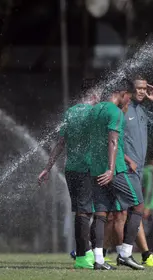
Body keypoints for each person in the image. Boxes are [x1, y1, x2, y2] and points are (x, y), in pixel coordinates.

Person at [38, 79, 100, 269]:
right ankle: (83, 256)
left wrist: (47, 168)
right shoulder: (95, 113)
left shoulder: (71, 112)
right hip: (87, 168)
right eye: (100, 94)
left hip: (71, 168)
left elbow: (61, 143)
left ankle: (88, 253)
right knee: (85, 212)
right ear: (93, 94)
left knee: (86, 211)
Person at [88, 80, 145, 270]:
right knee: (138, 206)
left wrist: (126, 158)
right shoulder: (116, 112)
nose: (129, 100)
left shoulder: (95, 110)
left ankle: (98, 261)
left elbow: (101, 141)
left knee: (101, 214)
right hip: (114, 170)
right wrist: (112, 169)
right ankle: (125, 254)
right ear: (122, 93)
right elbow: (112, 141)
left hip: (96, 169)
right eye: (128, 96)